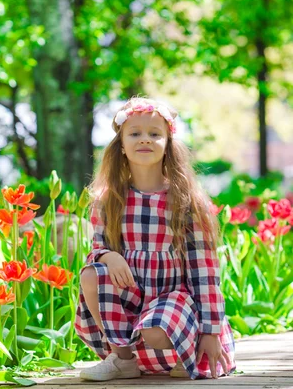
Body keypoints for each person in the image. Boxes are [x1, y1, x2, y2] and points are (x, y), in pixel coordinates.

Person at [74, 97, 236, 381]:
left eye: (154, 134)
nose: (144, 140)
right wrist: (107, 255)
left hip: (175, 300)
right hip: (132, 294)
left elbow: (204, 270)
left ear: (168, 144)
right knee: (91, 274)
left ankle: (186, 352)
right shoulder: (108, 200)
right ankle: (122, 359)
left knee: (155, 329)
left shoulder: (185, 200)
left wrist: (211, 331)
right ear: (121, 146)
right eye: (135, 133)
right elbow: (97, 249)